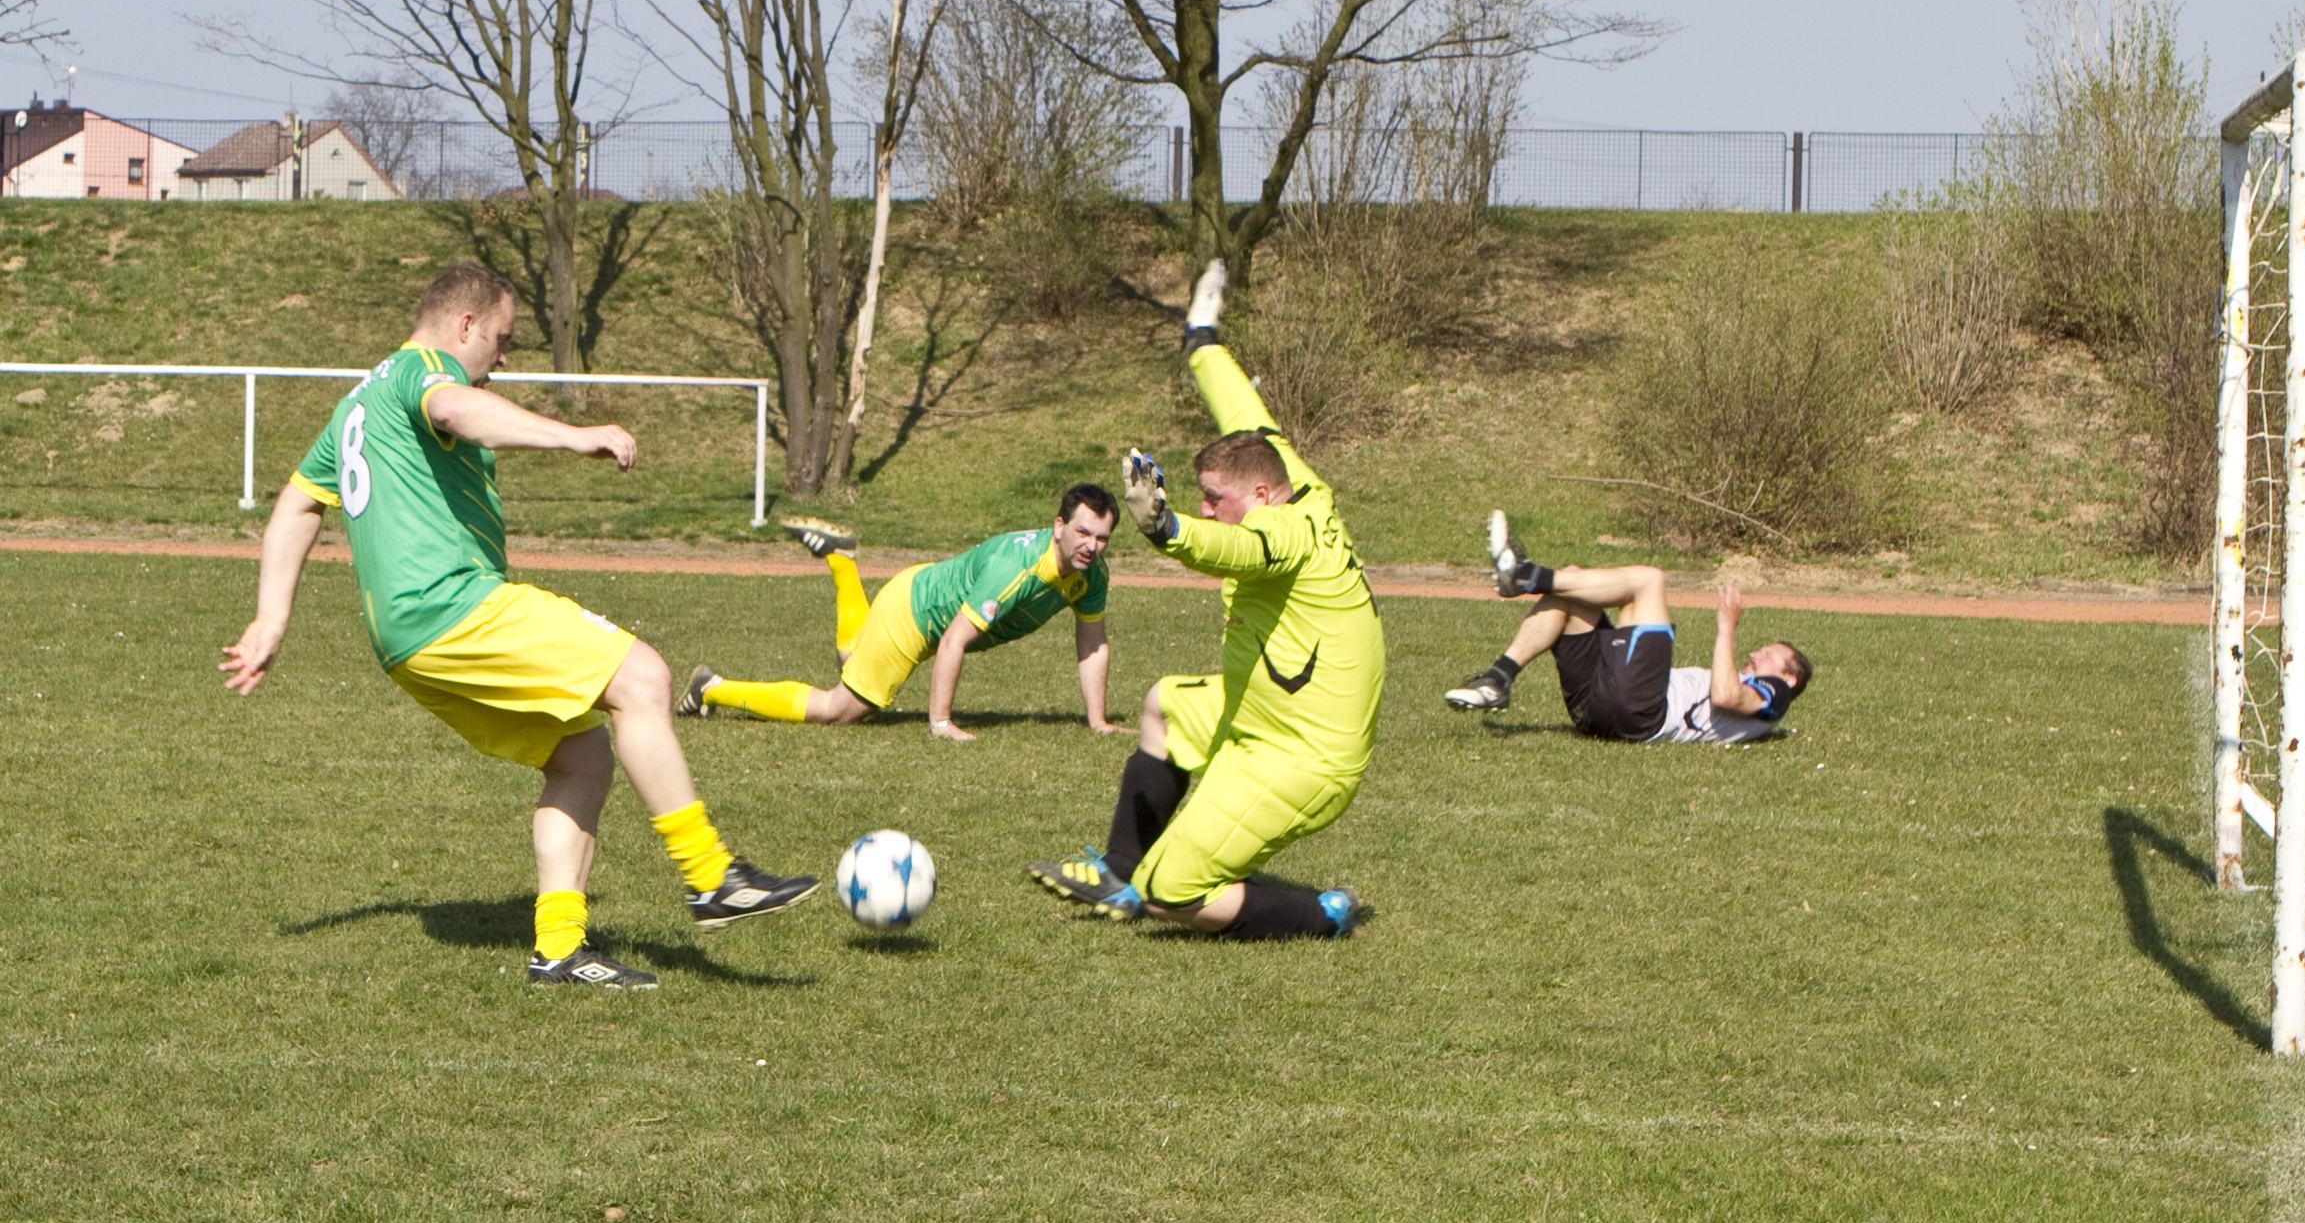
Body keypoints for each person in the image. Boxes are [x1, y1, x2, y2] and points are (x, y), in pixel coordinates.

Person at [220, 264, 815, 990]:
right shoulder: (425, 374)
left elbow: (295, 506)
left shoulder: (359, 400)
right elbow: (455, 412)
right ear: (465, 326)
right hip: (453, 608)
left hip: (405, 643)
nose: (504, 357)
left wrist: (270, 619)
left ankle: (559, 950)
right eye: (501, 339)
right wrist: (573, 436)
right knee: (644, 677)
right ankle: (713, 877)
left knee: (581, 753)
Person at [1027, 262, 1383, 938]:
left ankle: (1321, 914)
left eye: (1214, 500)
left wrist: (1167, 528)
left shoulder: (1285, 530)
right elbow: (1243, 410)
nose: (1207, 509)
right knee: (1166, 704)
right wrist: (1201, 337)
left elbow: (1237, 551)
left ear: (1259, 497)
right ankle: (1117, 871)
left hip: (1303, 756)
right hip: (1268, 709)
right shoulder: (1285, 477)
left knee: (1174, 893)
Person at [675, 489, 1120, 741]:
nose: (1091, 546)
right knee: (843, 708)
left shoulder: (1091, 573)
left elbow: (1092, 642)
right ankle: (712, 689)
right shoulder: (1017, 567)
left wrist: (1097, 722)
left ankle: (841, 561)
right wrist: (941, 723)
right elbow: (953, 641)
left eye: (1101, 538)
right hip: (915, 615)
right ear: (1058, 526)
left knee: (854, 661)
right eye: (1082, 532)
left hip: (918, 592)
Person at [1443, 512, 1813, 744]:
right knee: (1571, 587)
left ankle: (1527, 575)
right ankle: (1498, 678)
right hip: (1599, 710)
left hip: (1641, 713)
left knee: (1649, 581)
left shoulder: (1776, 693)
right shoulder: (1762, 687)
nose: (1755, 653)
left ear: (1789, 678)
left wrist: (1726, 628)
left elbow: (1726, 698)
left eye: (1768, 655)